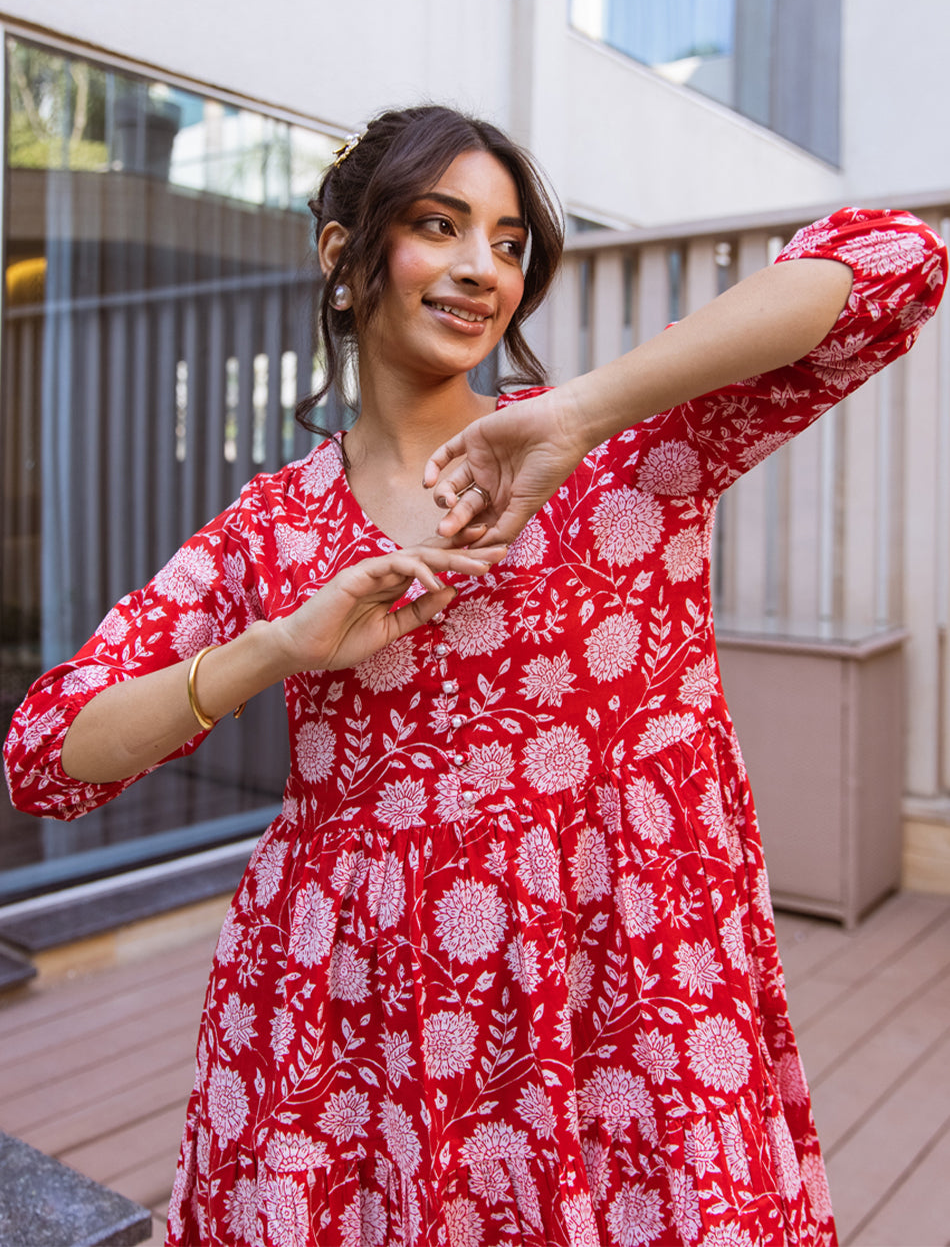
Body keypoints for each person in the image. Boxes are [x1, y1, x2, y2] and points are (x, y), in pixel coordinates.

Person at [3, 103, 946, 1247]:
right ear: (344, 256)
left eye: (506, 244)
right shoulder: (270, 532)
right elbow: (48, 759)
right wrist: (277, 648)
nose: (477, 270)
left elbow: (895, 259)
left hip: (627, 1010)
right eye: (437, 225)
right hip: (350, 1034)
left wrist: (579, 410)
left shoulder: (620, 457)